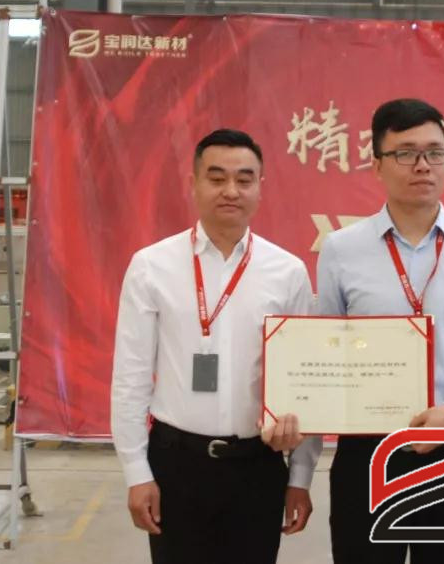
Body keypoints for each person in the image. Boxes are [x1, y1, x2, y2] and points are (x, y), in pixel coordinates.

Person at [317, 98, 444, 563]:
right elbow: (324, 349)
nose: (423, 165)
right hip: (368, 453)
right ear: (377, 165)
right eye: (405, 153)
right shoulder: (341, 250)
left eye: (435, 152)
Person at [111, 128, 322, 564]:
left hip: (258, 466)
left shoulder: (288, 272)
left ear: (260, 187)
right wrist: (136, 472)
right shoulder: (151, 266)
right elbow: (131, 377)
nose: (231, 190)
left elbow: (304, 383)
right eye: (217, 177)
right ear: (193, 183)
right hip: (176, 465)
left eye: (244, 179)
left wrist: (300, 476)